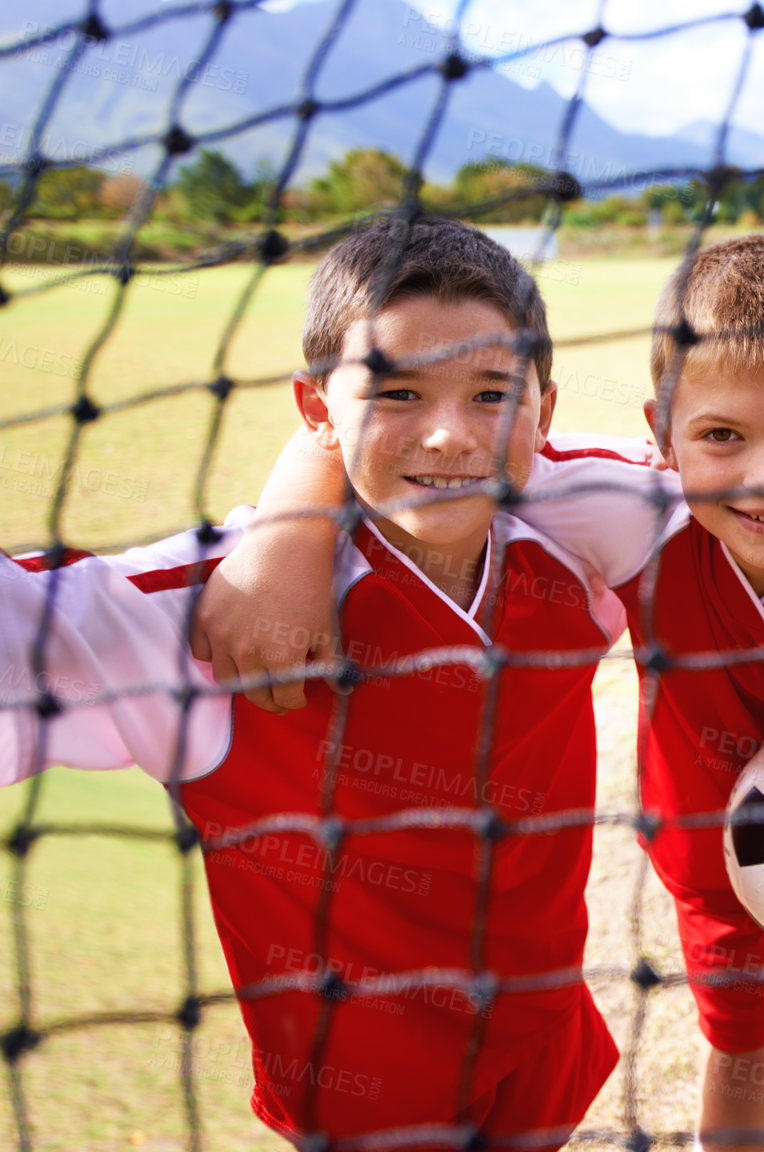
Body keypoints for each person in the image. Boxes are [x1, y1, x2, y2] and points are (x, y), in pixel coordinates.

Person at [196, 234, 764, 1152]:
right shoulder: (635, 510)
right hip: (706, 820)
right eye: (722, 436)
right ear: (662, 436)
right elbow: (429, 439)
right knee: (743, 1034)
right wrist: (289, 528)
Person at [0, 217, 637, 1151]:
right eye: (398, 392)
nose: (452, 434)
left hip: (543, 1037)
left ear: (543, 408)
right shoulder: (200, 621)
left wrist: (301, 501)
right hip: (361, 1097)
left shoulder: (583, 524)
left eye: (492, 393)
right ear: (315, 410)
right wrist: (291, 531)